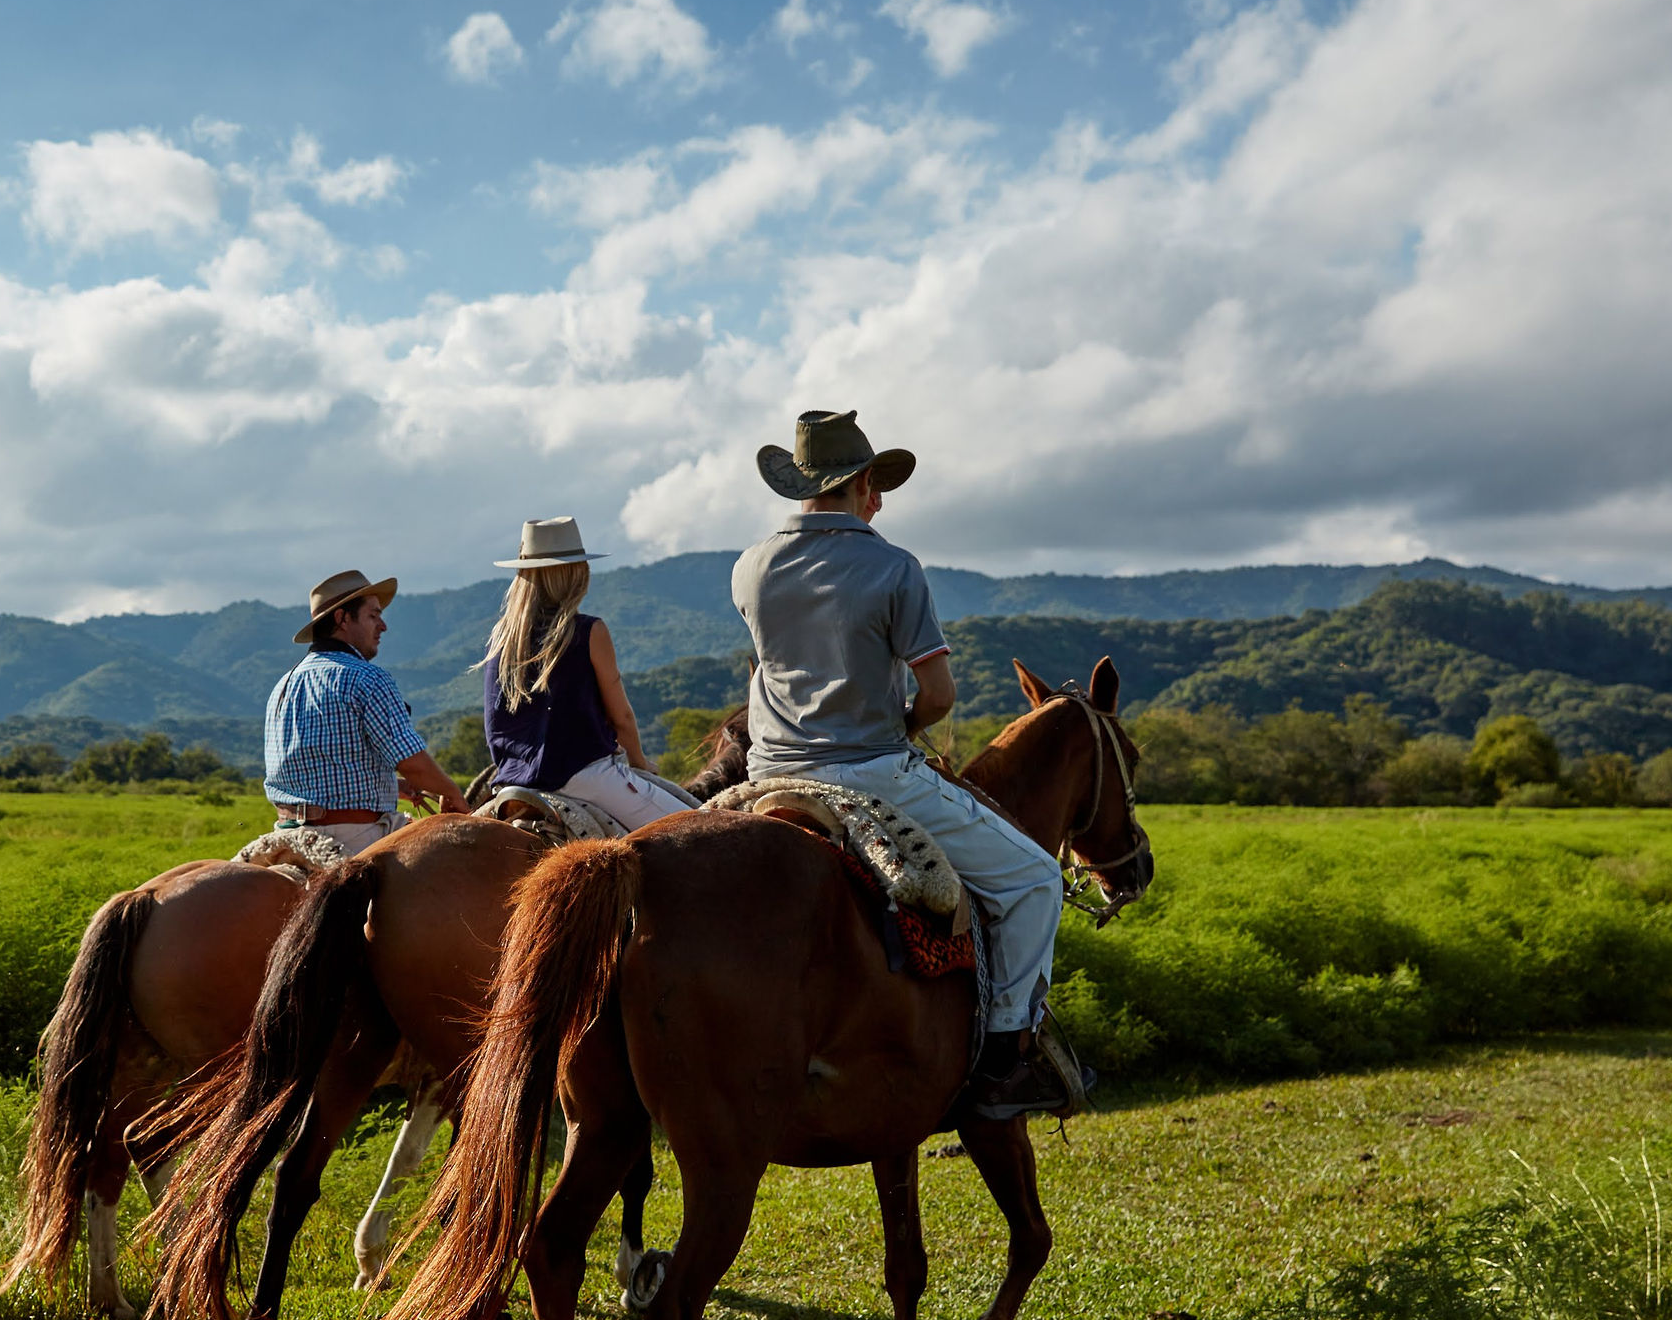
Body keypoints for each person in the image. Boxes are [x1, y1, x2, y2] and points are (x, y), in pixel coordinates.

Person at [730, 408, 1068, 1117]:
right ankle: (1006, 1053)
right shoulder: (893, 567)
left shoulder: (750, 567)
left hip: (765, 773)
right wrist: (902, 724)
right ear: (858, 486)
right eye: (875, 483)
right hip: (871, 769)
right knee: (1037, 879)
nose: (880, 499)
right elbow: (939, 695)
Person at [479, 517, 693, 832]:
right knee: (700, 829)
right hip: (585, 777)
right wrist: (640, 763)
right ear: (575, 574)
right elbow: (621, 717)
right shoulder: (589, 631)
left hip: (513, 783)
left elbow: (494, 727)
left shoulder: (502, 637)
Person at [263, 565, 465, 856]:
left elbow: (313, 767)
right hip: (355, 837)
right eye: (374, 615)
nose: (383, 626)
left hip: (286, 832)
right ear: (342, 618)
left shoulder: (283, 685)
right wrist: (452, 793)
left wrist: (387, 785)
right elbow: (412, 762)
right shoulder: (367, 678)